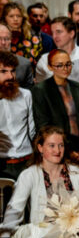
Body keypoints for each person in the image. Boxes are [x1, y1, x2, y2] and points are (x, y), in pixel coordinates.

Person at [0, 126, 79, 238]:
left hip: (76, 237)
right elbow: (13, 213)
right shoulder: (29, 175)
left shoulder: (77, 173)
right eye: (51, 146)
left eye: (61, 146)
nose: (57, 151)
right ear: (40, 148)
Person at [32, 49, 79, 164]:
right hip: (56, 149)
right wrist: (67, 150)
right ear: (50, 67)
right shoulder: (41, 90)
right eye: (59, 65)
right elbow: (44, 126)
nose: (65, 68)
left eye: (68, 64)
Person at [36, 17, 79, 117]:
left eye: (59, 32)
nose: (55, 36)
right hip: (55, 117)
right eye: (53, 33)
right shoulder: (44, 60)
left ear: (71, 34)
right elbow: (39, 88)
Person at [0, 51, 35, 179]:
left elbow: (32, 131)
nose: (10, 76)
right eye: (3, 71)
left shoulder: (26, 95)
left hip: (26, 163)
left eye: (13, 71)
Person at [1, 2, 53, 67]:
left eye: (18, 16)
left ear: (23, 18)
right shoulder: (2, 38)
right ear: (4, 18)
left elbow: (39, 63)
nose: (15, 19)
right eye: (11, 16)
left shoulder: (34, 38)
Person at [0, 23, 34, 89]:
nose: (3, 42)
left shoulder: (24, 64)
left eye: (6, 39)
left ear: (11, 40)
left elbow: (29, 94)